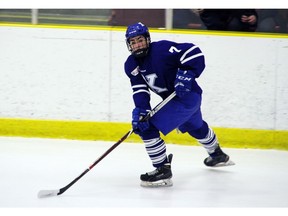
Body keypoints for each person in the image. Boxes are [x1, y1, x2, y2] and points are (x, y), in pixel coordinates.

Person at [124, 22, 234, 188]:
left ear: (147, 39)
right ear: (129, 45)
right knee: (196, 128)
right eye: (133, 42)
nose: (137, 45)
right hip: (183, 100)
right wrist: (141, 110)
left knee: (147, 128)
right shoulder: (131, 65)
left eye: (140, 40)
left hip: (187, 96)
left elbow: (193, 52)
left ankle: (163, 171)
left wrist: (188, 73)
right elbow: (140, 90)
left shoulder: (162, 50)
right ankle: (217, 154)